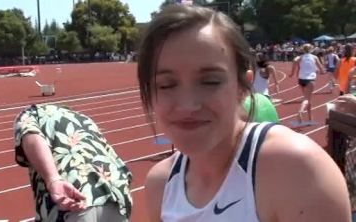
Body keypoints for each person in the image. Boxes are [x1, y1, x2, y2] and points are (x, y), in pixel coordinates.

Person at [137, 5, 351, 222]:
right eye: (165, 85)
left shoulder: (297, 171)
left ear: (243, 88)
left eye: (210, 81)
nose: (188, 105)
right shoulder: (160, 185)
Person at [14, 104, 132, 222]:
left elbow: (32, 136)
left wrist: (53, 180)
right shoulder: (84, 119)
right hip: (116, 196)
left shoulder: (31, 113)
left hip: (72, 199)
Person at [290, 43, 325, 124]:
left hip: (301, 80)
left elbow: (295, 60)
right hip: (310, 80)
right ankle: (300, 111)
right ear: (311, 49)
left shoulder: (300, 57)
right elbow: (321, 69)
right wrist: (322, 71)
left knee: (308, 99)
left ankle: (310, 118)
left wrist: (292, 73)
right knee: (306, 99)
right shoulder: (314, 57)